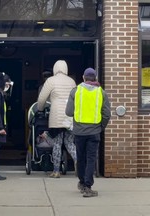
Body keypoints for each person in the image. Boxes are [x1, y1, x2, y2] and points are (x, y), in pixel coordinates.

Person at [65, 67, 111, 198]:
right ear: (95, 78)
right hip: (94, 131)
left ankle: (81, 182)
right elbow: (107, 114)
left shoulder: (75, 91)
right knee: (91, 159)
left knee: (81, 158)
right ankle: (88, 186)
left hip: (79, 132)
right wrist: (101, 127)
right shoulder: (101, 92)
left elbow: (68, 112)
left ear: (83, 78)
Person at [37, 60, 77, 178]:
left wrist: (40, 109)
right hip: (70, 117)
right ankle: (78, 159)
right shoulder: (72, 81)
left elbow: (42, 98)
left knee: (57, 143)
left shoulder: (51, 80)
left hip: (57, 117)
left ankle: (56, 171)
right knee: (69, 142)